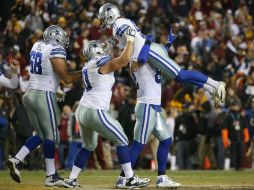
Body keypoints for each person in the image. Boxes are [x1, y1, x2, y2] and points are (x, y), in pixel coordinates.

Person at [65, 28, 150, 189]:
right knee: (122, 139)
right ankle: (130, 179)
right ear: (97, 51)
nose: (106, 51)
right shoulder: (100, 62)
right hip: (95, 110)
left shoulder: (88, 65)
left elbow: (114, 60)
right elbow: (123, 61)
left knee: (89, 145)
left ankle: (72, 179)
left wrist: (116, 49)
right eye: (102, 49)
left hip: (82, 110)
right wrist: (131, 39)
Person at [97, 3, 226, 107]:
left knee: (180, 74)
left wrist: (136, 57)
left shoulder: (118, 24)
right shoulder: (120, 24)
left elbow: (132, 39)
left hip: (149, 52)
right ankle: (211, 88)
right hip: (147, 52)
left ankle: (216, 84)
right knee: (179, 78)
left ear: (110, 15)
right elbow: (127, 44)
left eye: (103, 17)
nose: (102, 21)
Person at [7, 25, 82, 187]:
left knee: (41, 134)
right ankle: (51, 175)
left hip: (29, 94)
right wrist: (86, 72)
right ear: (56, 38)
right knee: (52, 136)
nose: (64, 41)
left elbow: (45, 71)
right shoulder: (56, 49)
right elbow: (67, 77)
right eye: (62, 37)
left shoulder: (37, 45)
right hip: (43, 95)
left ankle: (16, 159)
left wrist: (57, 87)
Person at [115, 32, 181, 188]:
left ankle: (162, 178)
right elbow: (143, 58)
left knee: (166, 140)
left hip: (155, 107)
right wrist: (148, 42)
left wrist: (168, 44)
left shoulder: (148, 56)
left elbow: (156, 55)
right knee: (138, 144)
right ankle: (122, 178)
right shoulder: (134, 61)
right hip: (146, 106)